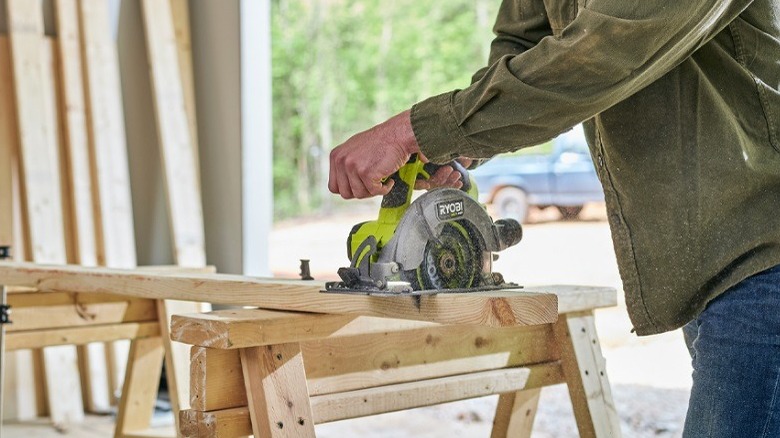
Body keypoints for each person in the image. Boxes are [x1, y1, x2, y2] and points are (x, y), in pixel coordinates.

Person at [328, 0, 780, 436]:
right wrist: (460, 143)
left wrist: (415, 131)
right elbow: (523, 42)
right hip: (716, 254)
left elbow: (608, 50)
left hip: (762, 242)